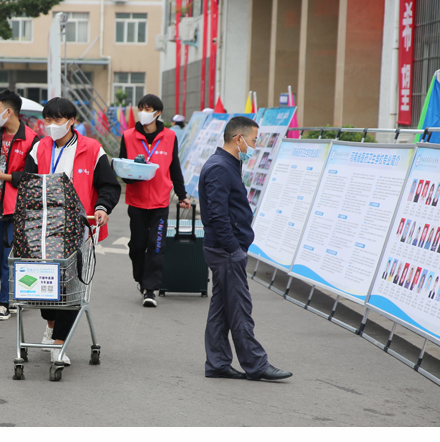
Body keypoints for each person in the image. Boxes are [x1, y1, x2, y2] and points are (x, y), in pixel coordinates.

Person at [20, 97, 121, 364]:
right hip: (44, 232)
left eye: (58, 120)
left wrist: (102, 207)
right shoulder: (39, 148)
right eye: (48, 120)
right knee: (46, 285)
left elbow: (109, 186)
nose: (52, 125)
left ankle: (58, 343)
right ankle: (51, 325)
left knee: (71, 287)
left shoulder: (92, 148)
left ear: (72, 121)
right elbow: (27, 185)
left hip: (79, 229)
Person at [199, 115, 292, 381]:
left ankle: (217, 363)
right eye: (253, 140)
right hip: (226, 250)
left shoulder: (228, 163)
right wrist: (234, 249)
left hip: (225, 248)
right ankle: (256, 365)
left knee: (221, 307)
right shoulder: (220, 167)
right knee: (239, 308)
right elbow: (217, 214)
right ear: (238, 138)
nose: (255, 145)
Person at [118, 94, 191, 307]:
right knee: (137, 246)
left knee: (156, 245)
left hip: (160, 202)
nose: (143, 112)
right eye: (141, 107)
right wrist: (133, 174)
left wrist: (182, 194)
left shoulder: (169, 136)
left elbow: (174, 167)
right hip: (136, 200)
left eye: (148, 109)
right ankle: (141, 280)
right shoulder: (128, 136)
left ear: (158, 113)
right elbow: (123, 167)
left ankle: (151, 289)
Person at [0, 90, 41, 321]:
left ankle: (5, 302)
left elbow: (28, 176)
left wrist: (1, 175)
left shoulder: (32, 139)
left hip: (17, 206)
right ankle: (13, 296)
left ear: (9, 111)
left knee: (10, 254)